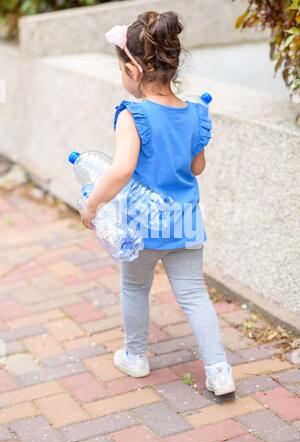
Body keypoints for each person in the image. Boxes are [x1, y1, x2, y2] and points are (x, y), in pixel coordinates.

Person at [80, 11, 235, 396]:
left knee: (134, 287)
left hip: (142, 226)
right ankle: (219, 370)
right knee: (194, 294)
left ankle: (135, 356)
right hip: (185, 222)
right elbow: (197, 167)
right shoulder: (196, 112)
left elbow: (119, 170)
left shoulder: (133, 114)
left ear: (133, 71)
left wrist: (92, 206)